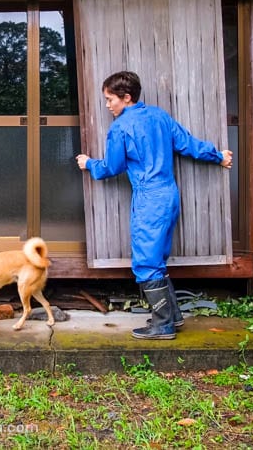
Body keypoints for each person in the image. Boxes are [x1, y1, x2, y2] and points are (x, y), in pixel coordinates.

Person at [76, 71, 232, 340]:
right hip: (169, 195)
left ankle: (162, 326)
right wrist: (218, 156)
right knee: (157, 260)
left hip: (149, 199)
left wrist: (89, 164)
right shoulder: (160, 116)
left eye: (109, 99)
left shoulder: (121, 128)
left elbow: (112, 167)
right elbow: (187, 144)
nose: (107, 105)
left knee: (146, 263)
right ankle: (174, 316)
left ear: (126, 98)